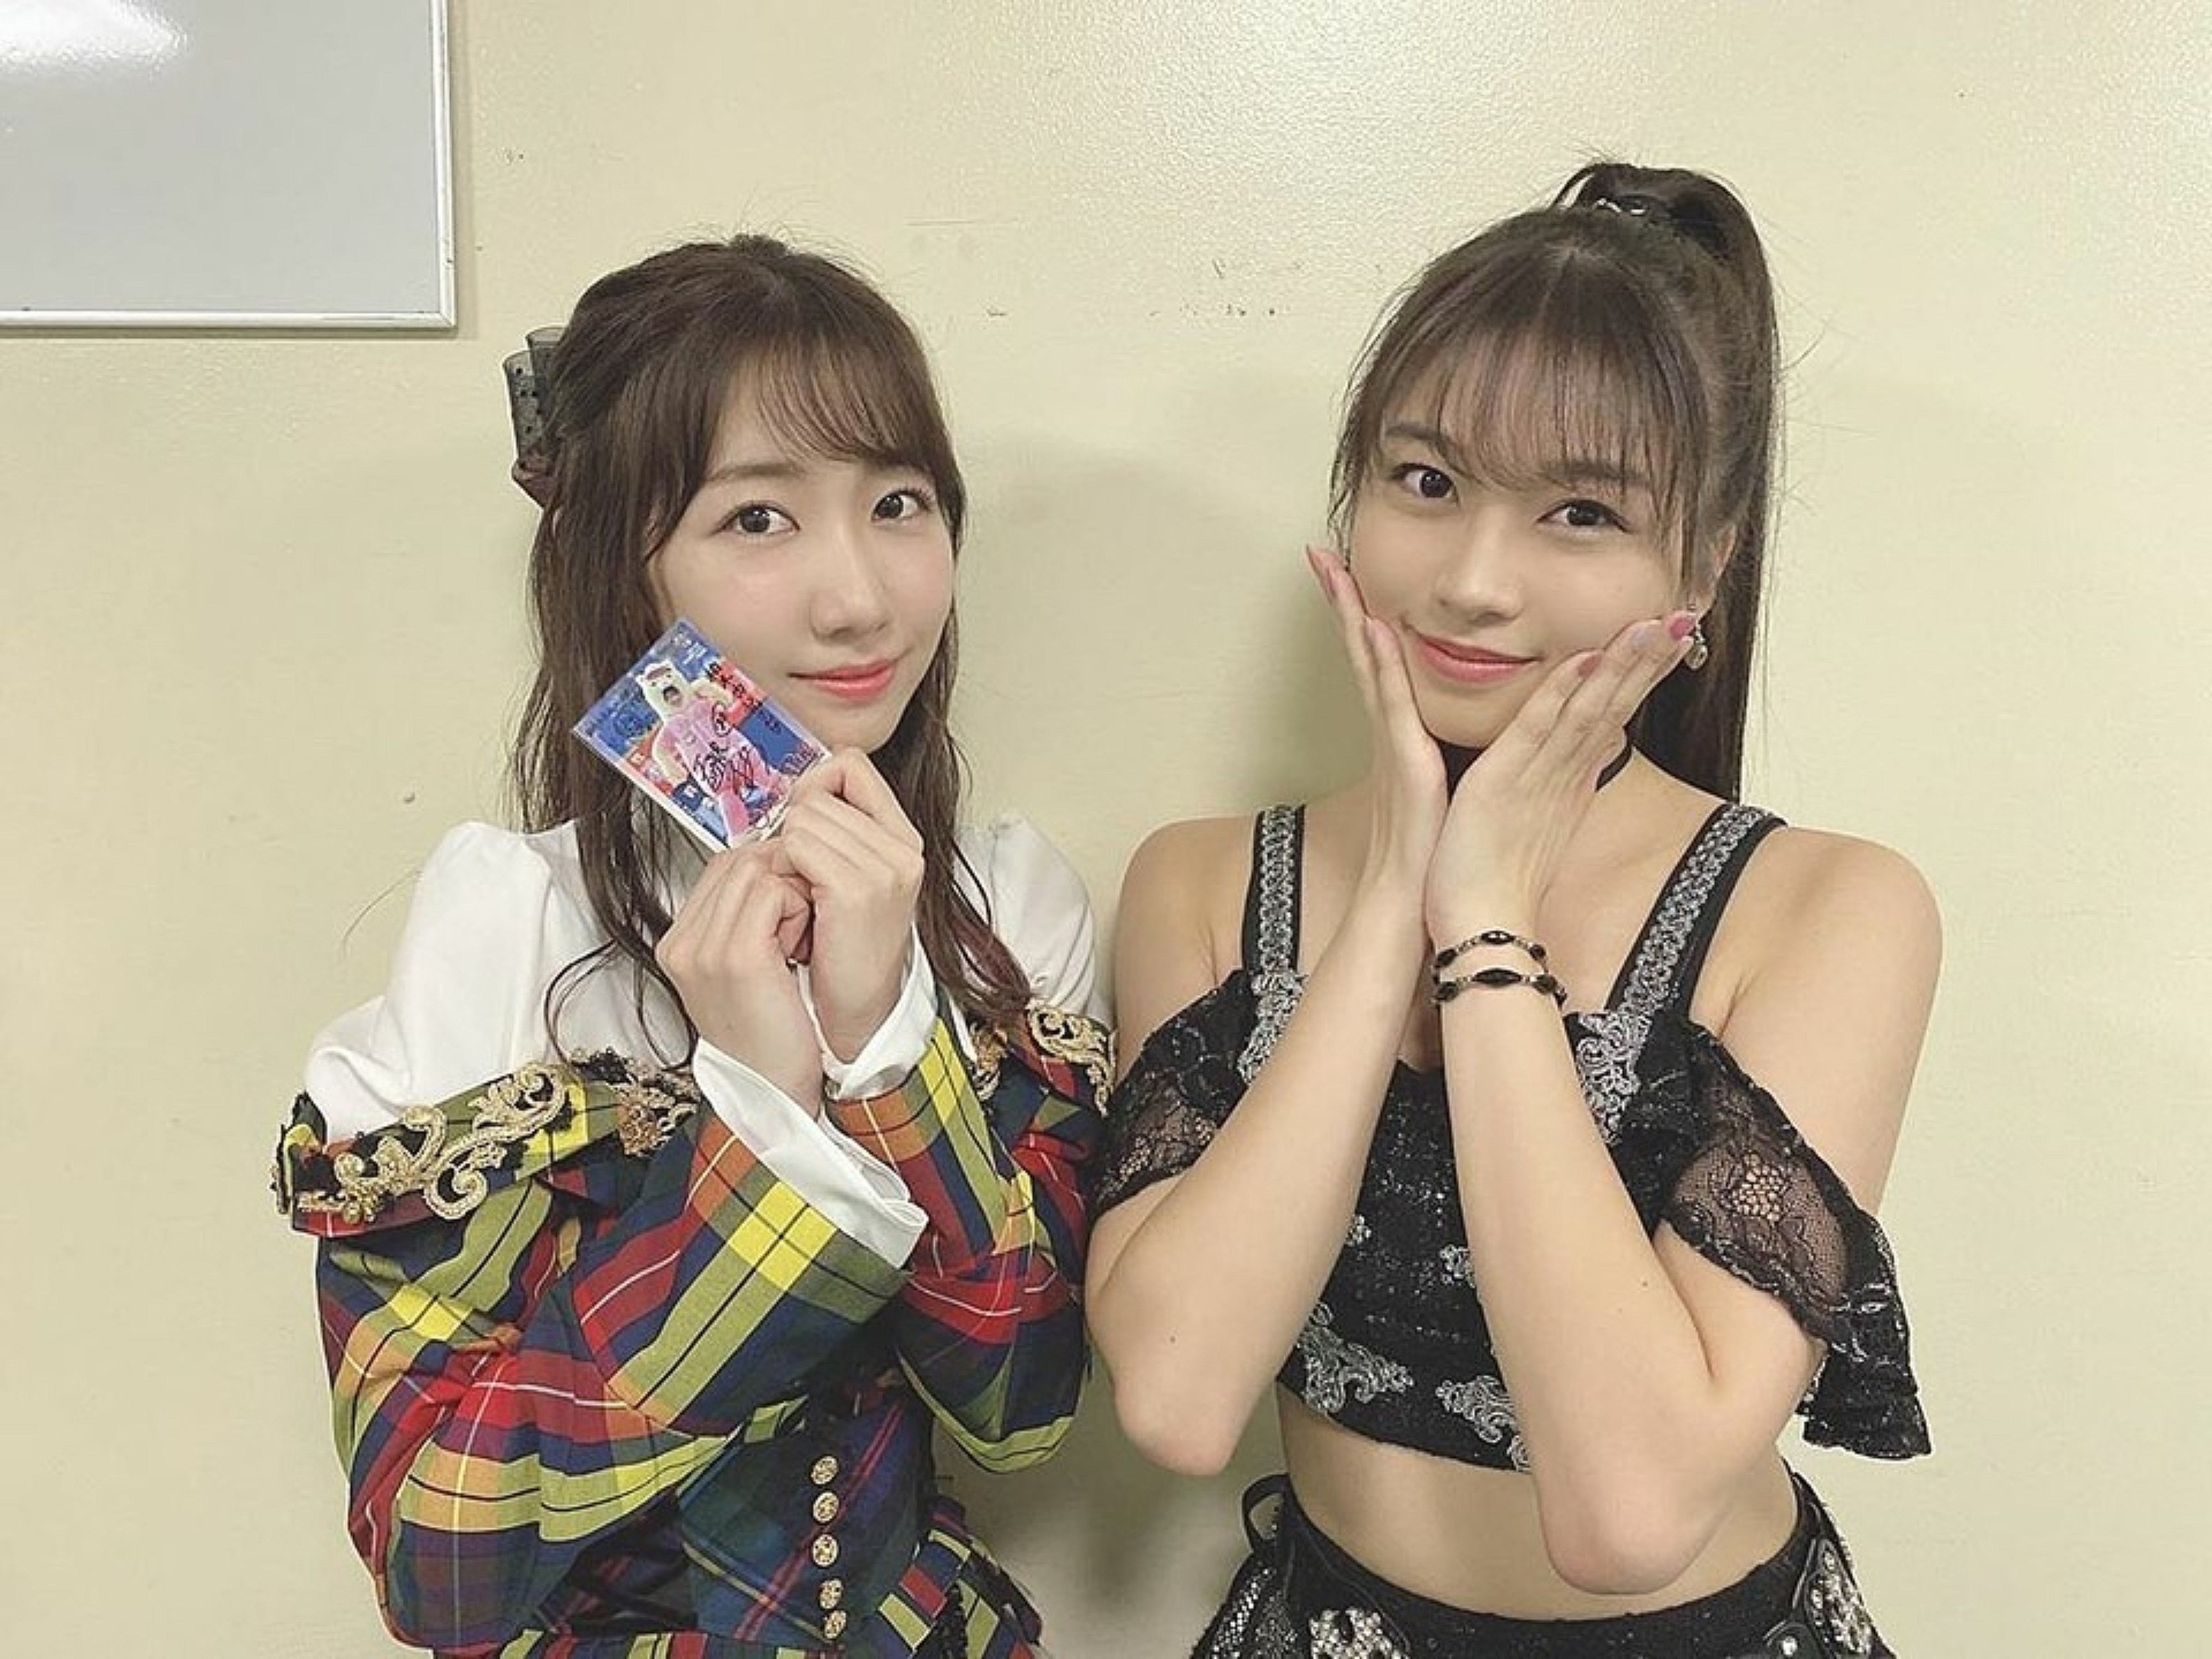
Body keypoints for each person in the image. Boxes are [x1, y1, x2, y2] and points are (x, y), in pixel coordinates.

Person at [1086, 164, 1937, 1659]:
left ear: (1705, 563)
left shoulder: (1827, 911)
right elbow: (1179, 1396)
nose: (1476, 583)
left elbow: (1631, 1512)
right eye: (1427, 483)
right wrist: (1390, 905)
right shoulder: (1204, 885)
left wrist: (1485, 925)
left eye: (1582, 512)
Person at [273, 235, 1110, 1658]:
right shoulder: (510, 922)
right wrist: (762, 1110)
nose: (860, 599)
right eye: (758, 519)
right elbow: (439, 1564)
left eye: (898, 503)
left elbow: (1021, 1409)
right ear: (625, 566)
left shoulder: (1006, 908)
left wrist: (886, 1040)